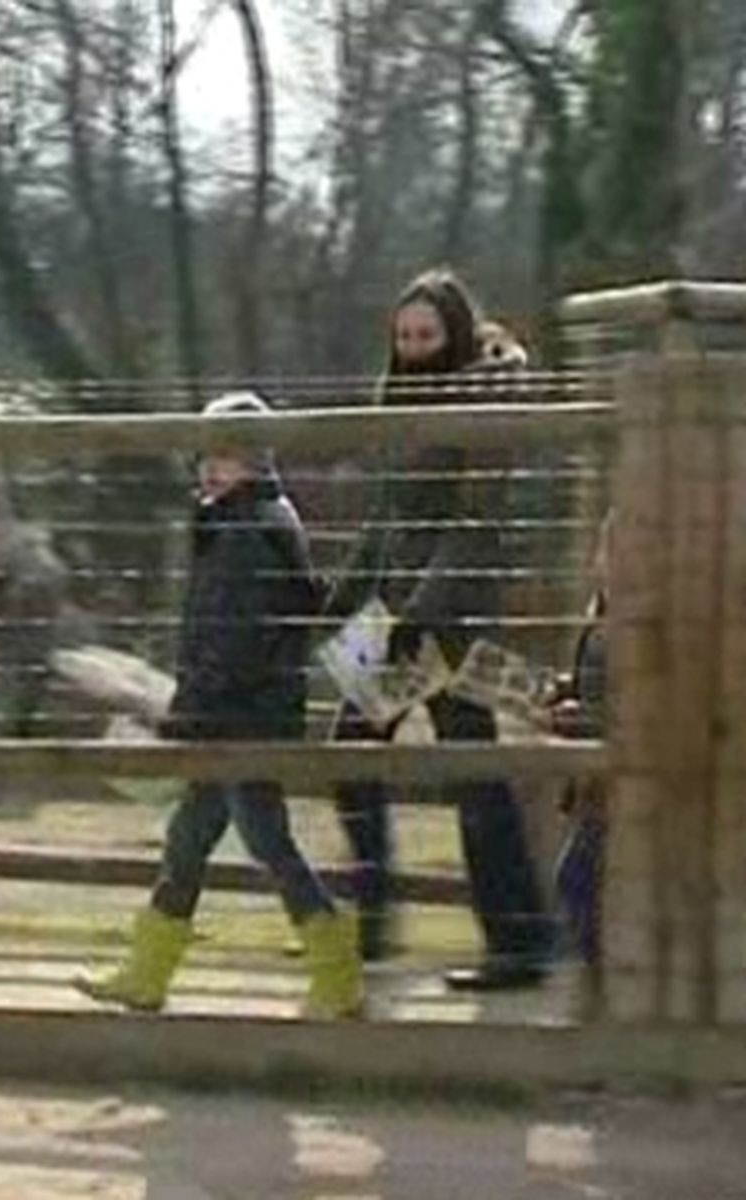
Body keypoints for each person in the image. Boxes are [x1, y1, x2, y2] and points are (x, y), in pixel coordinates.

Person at [76, 392, 362, 1019]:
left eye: (227, 454)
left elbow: (237, 639)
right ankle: (147, 973)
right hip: (235, 710)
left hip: (243, 716)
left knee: (265, 839)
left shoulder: (248, 531)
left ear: (255, 459)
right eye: (207, 452)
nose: (211, 466)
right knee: (188, 838)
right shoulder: (241, 521)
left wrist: (186, 709)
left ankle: (337, 971)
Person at [326, 267, 554, 989]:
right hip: (401, 616)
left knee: (471, 774)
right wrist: (336, 604)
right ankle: (381, 917)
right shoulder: (396, 401)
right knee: (356, 755)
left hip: (446, 621)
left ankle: (514, 943)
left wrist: (415, 614)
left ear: (452, 335)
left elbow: (472, 523)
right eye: (403, 336)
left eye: (426, 335)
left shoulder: (479, 403)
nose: (413, 347)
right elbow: (386, 520)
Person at [550, 513, 609, 976]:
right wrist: (566, 689)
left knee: (576, 881)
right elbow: (597, 683)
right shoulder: (601, 614)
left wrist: (582, 715)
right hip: (597, 778)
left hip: (619, 781)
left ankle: (604, 979)